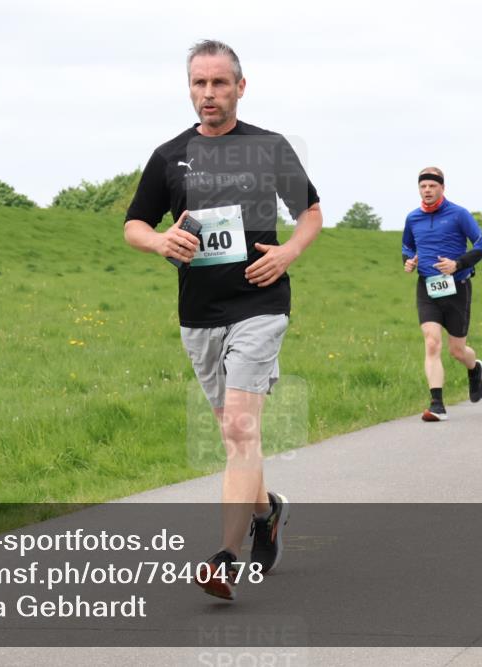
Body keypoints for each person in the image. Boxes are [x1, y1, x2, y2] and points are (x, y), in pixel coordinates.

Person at [123, 40, 322, 600]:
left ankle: (225, 559)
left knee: (240, 429)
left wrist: (288, 254)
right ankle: (267, 512)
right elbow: (134, 224)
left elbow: (309, 211)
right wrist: (160, 240)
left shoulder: (268, 147)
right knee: (234, 436)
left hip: (260, 302)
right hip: (199, 314)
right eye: (199, 84)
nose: (208, 94)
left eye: (219, 83)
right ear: (189, 88)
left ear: (240, 86)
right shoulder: (170, 156)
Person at [401, 168, 482, 422]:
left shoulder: (459, 214)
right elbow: (408, 246)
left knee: (457, 351)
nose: (427, 190)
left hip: (457, 286)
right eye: (423, 186)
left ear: (442, 188)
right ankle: (437, 404)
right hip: (427, 286)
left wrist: (457, 264)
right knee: (431, 342)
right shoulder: (413, 218)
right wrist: (408, 261)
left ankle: (475, 368)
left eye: (432, 186)